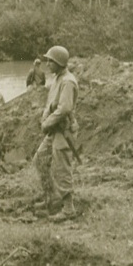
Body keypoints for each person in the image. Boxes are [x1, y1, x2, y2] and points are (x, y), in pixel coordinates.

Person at [32, 45, 79, 221]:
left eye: (50, 61)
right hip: (54, 130)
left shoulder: (68, 81)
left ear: (59, 62)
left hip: (64, 131)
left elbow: (64, 108)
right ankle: (50, 198)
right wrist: (44, 119)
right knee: (40, 159)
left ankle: (68, 208)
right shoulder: (57, 79)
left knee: (61, 168)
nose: (47, 64)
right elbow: (50, 104)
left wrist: (47, 123)